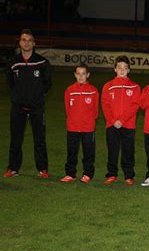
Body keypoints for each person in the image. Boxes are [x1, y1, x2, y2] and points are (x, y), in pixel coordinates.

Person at [4, 29, 52, 178]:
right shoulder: (13, 63)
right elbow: (10, 83)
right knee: (16, 138)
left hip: (37, 107)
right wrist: (20, 96)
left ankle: (42, 169)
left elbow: (48, 83)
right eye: (23, 40)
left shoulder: (42, 62)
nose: (26, 42)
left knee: (39, 139)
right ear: (19, 42)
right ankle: (13, 168)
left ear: (34, 43)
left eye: (29, 40)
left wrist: (37, 96)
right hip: (18, 107)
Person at [101, 56, 141, 185]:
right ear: (115, 69)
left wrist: (122, 120)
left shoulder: (135, 86)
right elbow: (105, 105)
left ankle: (129, 175)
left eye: (125, 68)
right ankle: (112, 174)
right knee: (112, 150)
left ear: (129, 70)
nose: (122, 70)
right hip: (112, 124)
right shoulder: (108, 86)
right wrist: (113, 120)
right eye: (119, 68)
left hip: (128, 125)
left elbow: (135, 105)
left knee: (128, 151)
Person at [60, 63, 99, 183]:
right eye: (78, 74)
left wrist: (88, 122)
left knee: (88, 152)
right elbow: (67, 109)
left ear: (88, 75)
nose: (81, 76)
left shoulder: (93, 91)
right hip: (72, 127)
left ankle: (87, 174)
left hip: (88, 128)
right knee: (72, 151)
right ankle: (70, 173)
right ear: (75, 75)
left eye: (83, 74)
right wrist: (72, 120)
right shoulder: (70, 90)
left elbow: (95, 111)